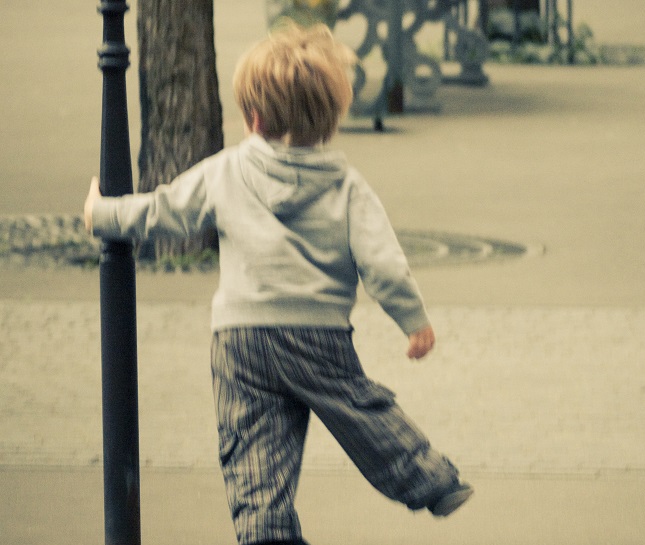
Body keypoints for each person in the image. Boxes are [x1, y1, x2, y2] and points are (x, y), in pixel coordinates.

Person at [84, 22, 472, 545]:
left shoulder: (228, 170)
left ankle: (266, 532)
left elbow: (165, 210)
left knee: (250, 444)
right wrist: (414, 323)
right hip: (318, 337)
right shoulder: (348, 187)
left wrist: (102, 213)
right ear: (331, 118)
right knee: (362, 411)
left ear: (254, 116)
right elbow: (384, 264)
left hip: (240, 337)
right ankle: (430, 481)